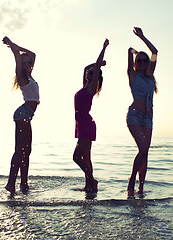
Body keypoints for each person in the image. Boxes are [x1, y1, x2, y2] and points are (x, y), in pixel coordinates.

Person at [2, 36, 40, 194]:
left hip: (27, 115)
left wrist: (19, 47)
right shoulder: (21, 76)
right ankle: (11, 183)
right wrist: (11, 45)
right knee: (20, 150)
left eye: (28, 62)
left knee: (27, 150)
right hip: (22, 114)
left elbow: (33, 54)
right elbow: (17, 57)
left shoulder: (30, 76)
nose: (27, 64)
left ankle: (24, 183)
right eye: (24, 63)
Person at [73, 39, 109, 193]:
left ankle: (92, 180)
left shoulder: (92, 87)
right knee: (86, 157)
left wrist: (103, 49)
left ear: (96, 78)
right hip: (81, 123)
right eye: (89, 72)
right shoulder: (85, 86)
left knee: (76, 157)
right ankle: (89, 185)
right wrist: (96, 66)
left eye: (92, 73)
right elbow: (85, 68)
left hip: (86, 123)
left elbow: (94, 69)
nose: (89, 73)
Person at [126, 27, 158, 196]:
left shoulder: (150, 75)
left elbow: (155, 51)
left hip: (148, 117)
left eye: (145, 61)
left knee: (145, 152)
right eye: (140, 61)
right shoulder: (132, 75)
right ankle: (132, 180)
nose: (143, 63)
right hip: (134, 116)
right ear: (135, 63)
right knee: (143, 149)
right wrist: (131, 52)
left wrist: (142, 36)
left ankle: (141, 187)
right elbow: (130, 56)